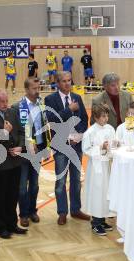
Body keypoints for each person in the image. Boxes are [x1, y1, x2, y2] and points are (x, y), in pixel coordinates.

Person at [44, 71, 90, 225]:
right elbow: (52, 120)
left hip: (76, 146)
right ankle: (62, 212)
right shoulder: (50, 99)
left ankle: (75, 210)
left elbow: (84, 118)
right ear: (57, 83)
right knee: (61, 181)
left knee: (76, 180)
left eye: (69, 80)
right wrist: (69, 109)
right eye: (64, 81)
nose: (67, 83)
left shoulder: (77, 97)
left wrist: (79, 134)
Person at [0, 89, 28, 239]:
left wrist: (20, 147)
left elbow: (22, 132)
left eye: (6, 101)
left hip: (15, 161)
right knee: (1, 196)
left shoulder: (12, 112)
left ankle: (12, 224)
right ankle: (0, 227)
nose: (5, 104)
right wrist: (4, 133)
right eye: (2, 101)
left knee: (13, 194)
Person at [12, 77, 50, 227]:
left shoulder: (41, 105)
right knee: (22, 186)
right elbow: (15, 132)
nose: (37, 91)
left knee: (34, 184)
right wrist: (26, 144)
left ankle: (32, 210)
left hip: (39, 149)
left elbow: (44, 126)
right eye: (34, 88)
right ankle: (23, 214)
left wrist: (46, 146)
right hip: (24, 152)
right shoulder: (17, 107)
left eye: (38, 87)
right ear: (27, 89)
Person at [82, 104, 116, 236]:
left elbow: (113, 143)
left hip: (107, 165)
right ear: (96, 118)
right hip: (96, 168)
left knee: (105, 193)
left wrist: (114, 146)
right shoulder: (90, 132)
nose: (106, 118)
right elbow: (86, 149)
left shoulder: (110, 129)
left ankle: (102, 219)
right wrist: (100, 147)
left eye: (107, 115)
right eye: (103, 116)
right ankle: (95, 222)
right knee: (97, 194)